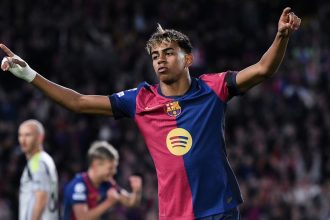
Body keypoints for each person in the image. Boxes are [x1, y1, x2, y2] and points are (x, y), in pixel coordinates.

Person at [1, 7, 301, 220]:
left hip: (219, 209)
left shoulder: (213, 87)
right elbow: (78, 102)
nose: (160, 60)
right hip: (173, 213)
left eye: (169, 53)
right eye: (155, 55)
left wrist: (281, 36)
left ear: (188, 59)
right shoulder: (140, 100)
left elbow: (262, 69)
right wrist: (30, 75)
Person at [62, 141, 142, 220]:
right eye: (110, 168)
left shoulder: (107, 184)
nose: (114, 172)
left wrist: (136, 191)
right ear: (96, 165)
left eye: (115, 167)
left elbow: (130, 202)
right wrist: (108, 203)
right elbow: (82, 218)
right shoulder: (79, 186)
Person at [18, 119, 59, 220]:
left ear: (40, 138)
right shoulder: (45, 159)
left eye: (28, 135)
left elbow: (41, 198)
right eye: (20, 135)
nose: (23, 140)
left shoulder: (37, 162)